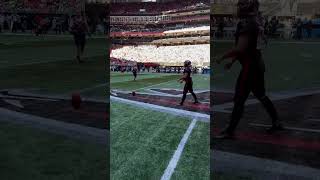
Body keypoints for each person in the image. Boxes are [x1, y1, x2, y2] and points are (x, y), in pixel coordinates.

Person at [215, 0, 283, 139]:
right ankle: (276, 122)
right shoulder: (254, 21)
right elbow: (248, 48)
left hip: (250, 67)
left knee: (239, 99)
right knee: (261, 95)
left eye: (241, 4)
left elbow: (240, 48)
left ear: (247, 7)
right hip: (256, 64)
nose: (238, 7)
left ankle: (230, 131)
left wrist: (222, 57)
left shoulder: (246, 23)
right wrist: (233, 62)